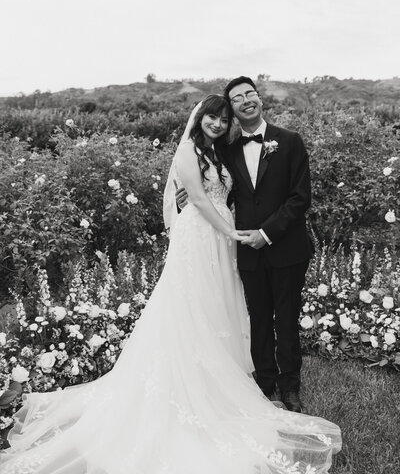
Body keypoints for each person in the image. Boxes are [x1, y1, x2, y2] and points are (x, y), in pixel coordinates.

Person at [0, 95, 341, 474]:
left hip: (221, 237)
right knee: (192, 304)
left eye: (222, 118)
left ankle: (232, 377)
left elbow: (234, 192)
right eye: (212, 115)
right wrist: (231, 231)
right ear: (200, 117)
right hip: (202, 237)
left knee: (222, 303)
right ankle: (192, 383)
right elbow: (195, 196)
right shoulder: (188, 150)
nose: (217, 122)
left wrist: (232, 230)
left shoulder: (218, 151)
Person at [177, 77, 314, 413]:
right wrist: (188, 199)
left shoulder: (291, 141)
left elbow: (300, 198)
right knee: (258, 320)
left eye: (249, 94)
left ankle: (290, 386)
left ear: (259, 99)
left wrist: (265, 233)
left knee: (286, 318)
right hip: (245, 250)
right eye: (236, 99)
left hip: (286, 247)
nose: (245, 101)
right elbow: (214, 189)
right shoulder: (225, 149)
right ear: (232, 109)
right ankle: (264, 384)